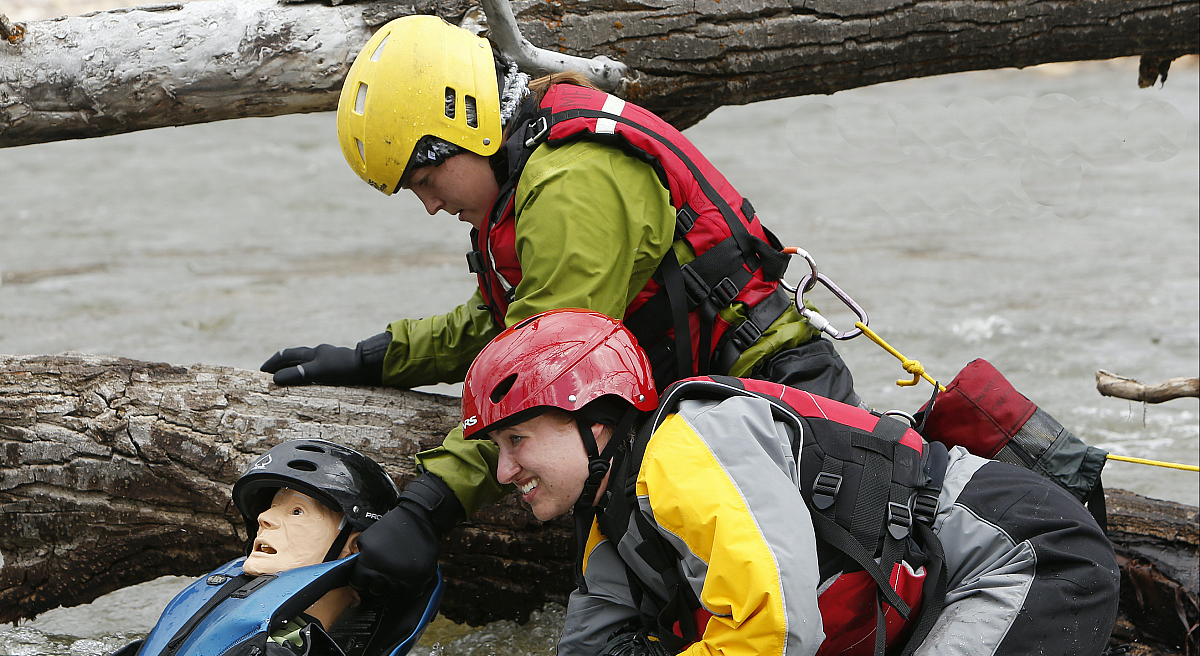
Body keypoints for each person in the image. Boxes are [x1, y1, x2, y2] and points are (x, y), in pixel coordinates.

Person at [456, 308, 1120, 656]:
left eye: (517, 441)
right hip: (951, 586)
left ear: (594, 421)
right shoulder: (612, 515)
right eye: (498, 451)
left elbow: (771, 642)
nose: (505, 472)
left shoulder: (681, 459)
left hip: (1028, 559)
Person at [259, 14, 862, 611]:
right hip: (711, 407)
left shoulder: (574, 179)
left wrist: (427, 507)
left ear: (468, 128)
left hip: (778, 411)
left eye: (425, 177)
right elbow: (499, 326)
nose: (431, 205)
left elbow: (543, 373)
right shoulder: (527, 165)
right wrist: (371, 359)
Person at [4, 439, 441, 656]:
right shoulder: (212, 622)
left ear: (353, 545)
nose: (267, 520)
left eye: (296, 511)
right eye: (269, 510)